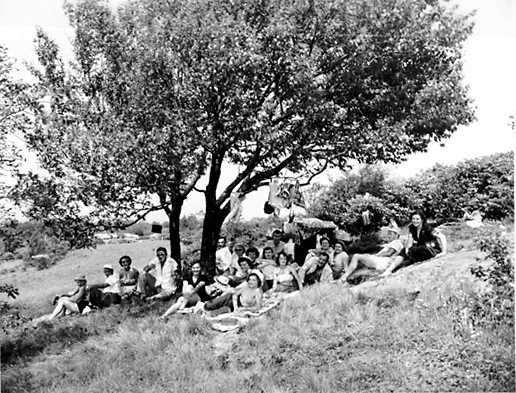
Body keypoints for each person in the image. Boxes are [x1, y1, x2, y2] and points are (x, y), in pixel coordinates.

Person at [338, 237, 406, 283]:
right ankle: (343, 280)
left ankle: (345, 275)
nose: (388, 235)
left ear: (396, 235)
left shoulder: (397, 242)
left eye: (391, 234)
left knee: (356, 256)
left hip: (383, 261)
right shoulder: (391, 243)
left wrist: (375, 256)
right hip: (381, 261)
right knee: (354, 274)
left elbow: (389, 253)